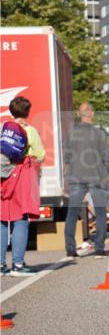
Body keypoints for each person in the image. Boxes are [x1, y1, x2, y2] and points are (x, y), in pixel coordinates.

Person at [1, 97, 44, 275]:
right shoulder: (30, 131)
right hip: (23, 175)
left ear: (12, 111)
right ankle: (18, 265)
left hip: (4, 175)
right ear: (28, 111)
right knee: (21, 218)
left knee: (2, 219)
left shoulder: (4, 130)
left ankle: (1, 265)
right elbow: (40, 155)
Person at [64, 102, 109, 258]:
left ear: (79, 114)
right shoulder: (99, 133)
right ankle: (99, 248)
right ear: (92, 113)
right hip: (96, 177)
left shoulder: (72, 133)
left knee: (72, 213)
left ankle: (71, 250)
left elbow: (67, 159)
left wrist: (66, 180)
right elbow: (106, 157)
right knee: (100, 212)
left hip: (76, 177)